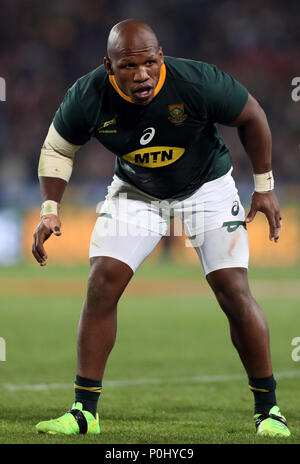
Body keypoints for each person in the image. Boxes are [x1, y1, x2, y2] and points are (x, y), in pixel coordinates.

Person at [32, 19, 290, 438]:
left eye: (150, 63)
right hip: (137, 190)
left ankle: (269, 410)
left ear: (161, 56)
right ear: (108, 66)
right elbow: (58, 147)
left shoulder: (197, 81)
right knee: (102, 281)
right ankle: (84, 412)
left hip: (207, 188)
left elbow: (252, 115)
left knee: (232, 287)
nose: (142, 75)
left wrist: (265, 188)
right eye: (129, 67)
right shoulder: (88, 93)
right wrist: (48, 208)